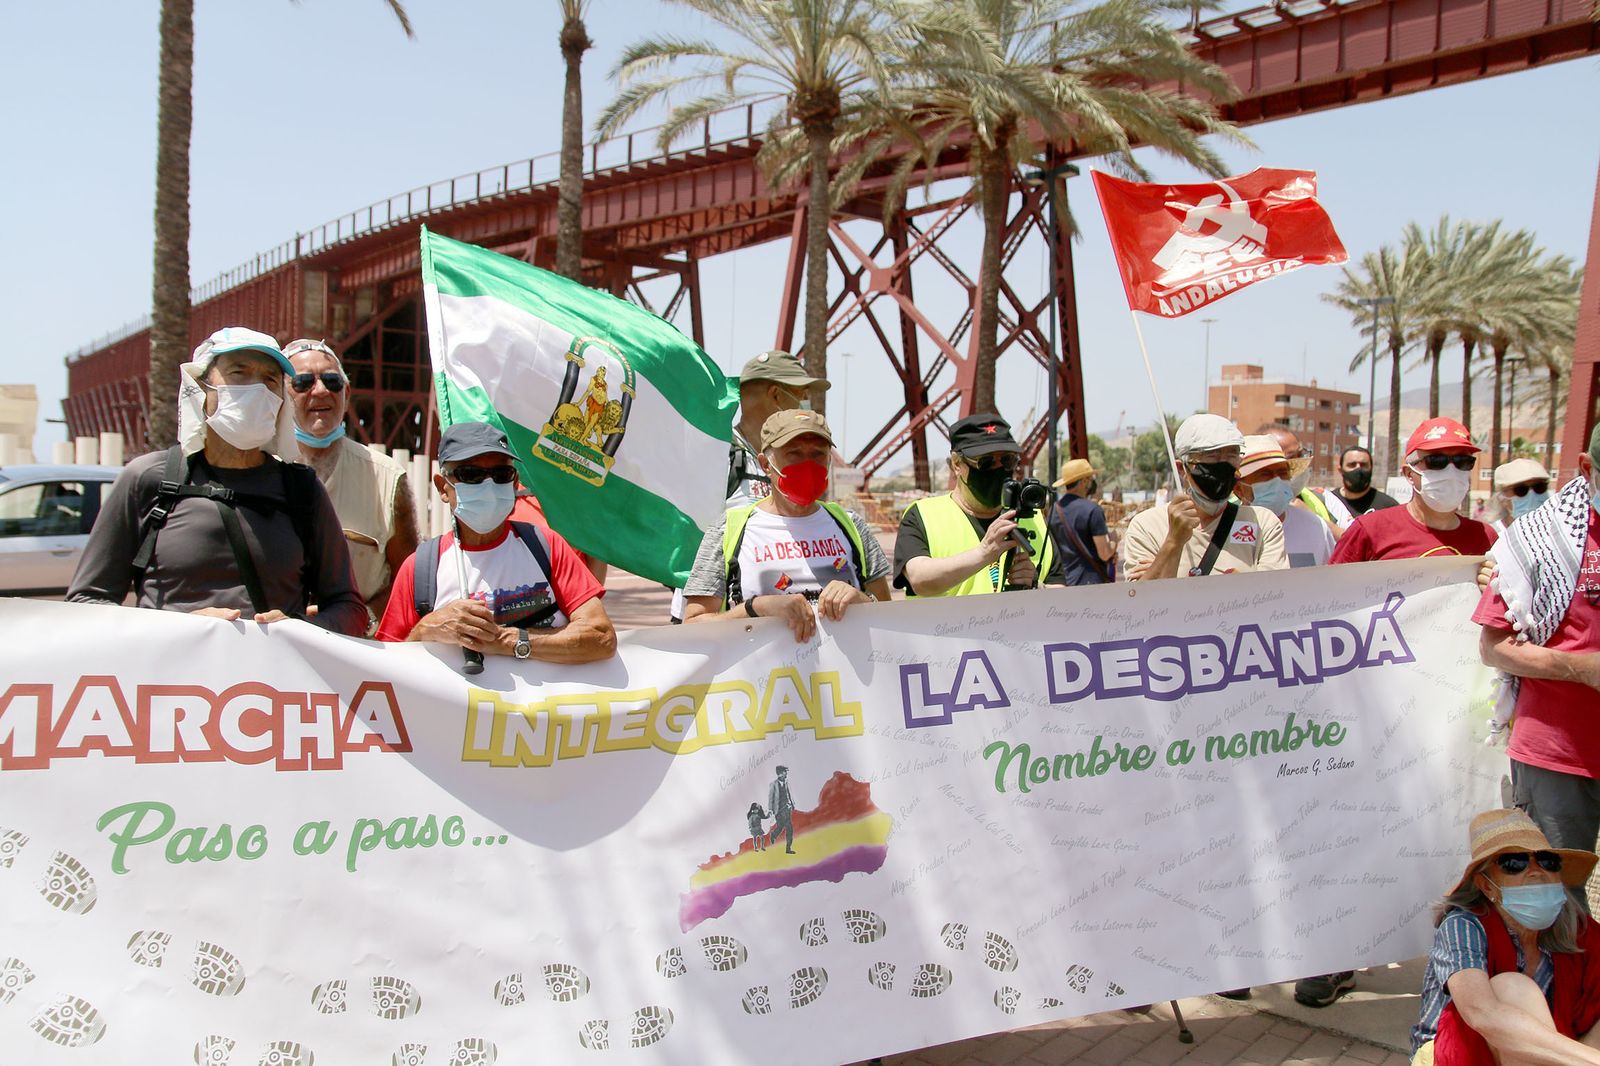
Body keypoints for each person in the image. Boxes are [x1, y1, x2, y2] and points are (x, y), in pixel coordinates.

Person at [68, 327, 367, 635]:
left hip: (270, 681)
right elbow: (86, 602)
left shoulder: (302, 489)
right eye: (240, 373)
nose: (257, 389)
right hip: (168, 681)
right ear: (200, 386)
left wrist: (300, 629)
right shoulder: (147, 479)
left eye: (269, 380)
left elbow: (349, 609)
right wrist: (180, 628)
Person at [375, 422, 615, 663]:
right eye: (470, 474)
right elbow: (385, 666)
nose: (488, 486)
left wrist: (509, 642)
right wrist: (425, 630)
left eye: (501, 475)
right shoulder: (421, 568)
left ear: (513, 483)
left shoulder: (546, 546)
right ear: (443, 488)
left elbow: (601, 637)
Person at [1475, 427, 1600, 868]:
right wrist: (1583, 669)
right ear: (1586, 468)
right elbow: (1494, 647)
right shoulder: (1537, 540)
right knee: (1557, 897)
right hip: (1559, 756)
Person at [1409, 808, 1600, 1064]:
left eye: (1546, 861)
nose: (1535, 871)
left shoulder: (1578, 929)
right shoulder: (1463, 926)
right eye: (1514, 863)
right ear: (1487, 886)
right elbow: (1481, 1013)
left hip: (1552, 1052)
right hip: (1457, 1053)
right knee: (1512, 989)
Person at [681, 410, 889, 641]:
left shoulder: (850, 525)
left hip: (844, 675)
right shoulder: (730, 529)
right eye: (794, 454)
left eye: (818, 454)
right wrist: (754, 608)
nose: (807, 464)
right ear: (765, 464)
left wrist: (861, 600)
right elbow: (692, 625)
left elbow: (889, 614)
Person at [671, 349, 827, 622]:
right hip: (719, 620)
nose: (806, 407)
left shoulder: (790, 461)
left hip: (788, 619)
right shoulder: (718, 454)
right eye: (801, 396)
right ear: (777, 396)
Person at [283, 339, 418, 629]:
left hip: (357, 650)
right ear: (282, 395)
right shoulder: (258, 469)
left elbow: (408, 578)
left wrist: (359, 621)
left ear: (347, 392)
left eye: (331, 381)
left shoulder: (387, 477)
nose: (320, 391)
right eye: (303, 382)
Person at [895, 413, 1064, 596]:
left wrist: (1037, 586)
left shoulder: (1034, 518)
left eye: (1007, 460)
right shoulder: (923, 515)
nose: (999, 470)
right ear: (957, 464)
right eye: (986, 462)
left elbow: (1060, 588)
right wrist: (983, 554)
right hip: (949, 625)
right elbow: (920, 580)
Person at [1120, 414, 1287, 580]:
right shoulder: (1147, 526)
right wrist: (1173, 542)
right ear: (1181, 468)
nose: (1223, 465)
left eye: (1231, 455)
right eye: (1211, 456)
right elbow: (1143, 601)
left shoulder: (1262, 523)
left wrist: (1163, 571)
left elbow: (1272, 595)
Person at [1328, 418, 1496, 565]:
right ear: (1409, 474)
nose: (1451, 471)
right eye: (1436, 461)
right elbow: (1333, 593)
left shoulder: (1486, 537)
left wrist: (1494, 589)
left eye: (1463, 461)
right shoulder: (1369, 530)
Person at [1234, 435, 1337, 568]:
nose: (1277, 481)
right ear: (1239, 489)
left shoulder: (1316, 527)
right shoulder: (1222, 529)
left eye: (1283, 473)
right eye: (1265, 474)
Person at [1048, 457, 1114, 585]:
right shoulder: (1093, 510)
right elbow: (1104, 554)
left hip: (1064, 582)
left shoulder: (1054, 510)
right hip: (1090, 583)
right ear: (1084, 481)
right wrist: (1114, 541)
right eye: (1091, 479)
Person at [1258, 423, 1335, 529]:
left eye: (1301, 454)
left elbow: (1352, 540)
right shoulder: (1235, 507)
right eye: (1291, 457)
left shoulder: (1322, 499)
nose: (1301, 462)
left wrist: (1311, 518)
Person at [1319, 445, 1401, 533]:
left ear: (1371, 469)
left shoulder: (1389, 507)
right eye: (1352, 465)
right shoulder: (1328, 502)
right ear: (1341, 470)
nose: (1358, 469)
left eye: (1364, 465)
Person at [1489, 457, 1552, 534]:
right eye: (1521, 490)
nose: (1532, 495)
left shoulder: (1557, 532)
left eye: (1539, 487)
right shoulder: (1490, 537)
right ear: (1502, 498)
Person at [768, 765, 796, 854]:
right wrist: (770, 810)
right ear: (780, 773)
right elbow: (770, 798)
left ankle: (788, 848)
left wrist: (792, 804)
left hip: (786, 808)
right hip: (778, 810)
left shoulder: (786, 782)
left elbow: (789, 793)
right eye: (785, 772)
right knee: (780, 826)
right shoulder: (773, 784)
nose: (786, 773)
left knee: (789, 827)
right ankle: (773, 835)